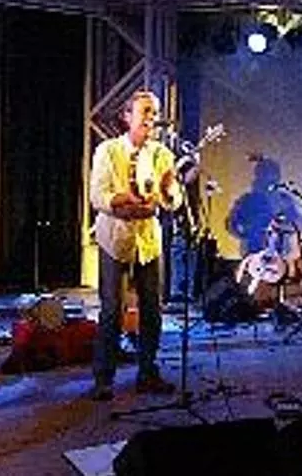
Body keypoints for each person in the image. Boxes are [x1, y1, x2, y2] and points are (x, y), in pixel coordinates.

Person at [89, 90, 184, 401]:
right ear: (127, 116)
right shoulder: (108, 151)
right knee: (111, 310)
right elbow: (97, 195)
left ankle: (147, 373)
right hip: (115, 238)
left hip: (148, 240)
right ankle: (104, 378)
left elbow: (173, 201)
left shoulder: (162, 154)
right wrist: (123, 199)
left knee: (152, 309)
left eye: (154, 113)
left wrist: (170, 191)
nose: (151, 119)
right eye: (145, 111)